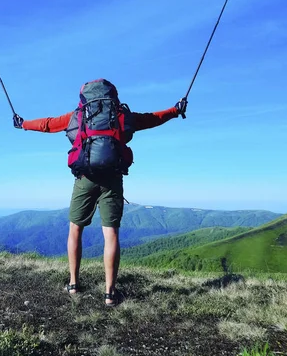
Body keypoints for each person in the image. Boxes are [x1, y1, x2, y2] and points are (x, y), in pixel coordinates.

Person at [14, 79, 187, 306]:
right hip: (113, 178)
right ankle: (109, 293)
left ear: (85, 96)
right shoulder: (120, 115)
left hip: (85, 178)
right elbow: (152, 119)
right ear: (112, 95)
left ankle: (74, 284)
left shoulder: (79, 115)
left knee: (75, 229)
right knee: (111, 234)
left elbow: (48, 124)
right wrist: (175, 110)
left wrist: (23, 123)